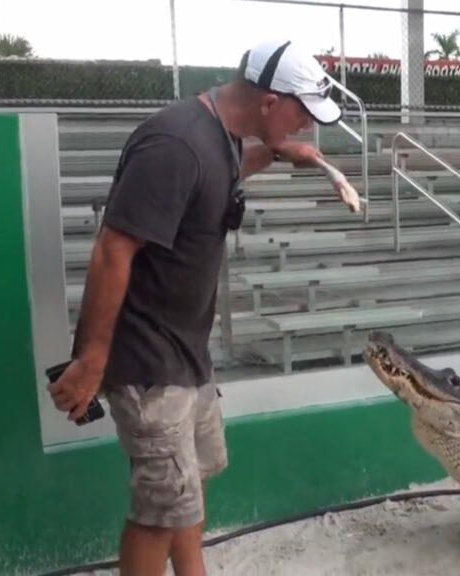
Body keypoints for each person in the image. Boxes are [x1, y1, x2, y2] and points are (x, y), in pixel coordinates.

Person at [46, 39, 354, 576]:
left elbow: (219, 175)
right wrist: (92, 361)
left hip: (187, 354)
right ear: (269, 101)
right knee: (160, 510)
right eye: (303, 115)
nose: (308, 127)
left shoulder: (222, 135)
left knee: (192, 483)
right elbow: (113, 249)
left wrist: (281, 154)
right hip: (147, 360)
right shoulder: (175, 142)